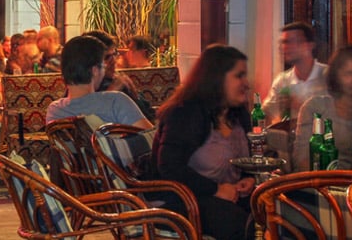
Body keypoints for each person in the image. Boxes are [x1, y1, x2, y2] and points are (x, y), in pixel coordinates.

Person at [152, 44, 255, 240]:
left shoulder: (238, 113)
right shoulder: (186, 112)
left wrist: (248, 178)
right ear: (216, 78)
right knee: (242, 224)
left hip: (227, 195)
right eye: (239, 76)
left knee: (279, 209)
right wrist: (216, 190)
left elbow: (249, 157)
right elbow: (169, 167)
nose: (246, 83)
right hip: (183, 199)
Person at [46, 35, 153, 128]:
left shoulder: (54, 111)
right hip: (113, 152)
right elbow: (151, 138)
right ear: (95, 70)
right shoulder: (116, 101)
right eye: (103, 65)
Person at [262, 22, 327, 123]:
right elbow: (264, 114)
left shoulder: (328, 76)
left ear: (309, 45)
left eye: (291, 42)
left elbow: (339, 118)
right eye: (283, 42)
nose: (285, 47)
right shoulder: (282, 81)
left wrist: (298, 106)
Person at [86, 30, 156, 121]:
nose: (114, 61)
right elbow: (89, 120)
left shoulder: (119, 81)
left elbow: (149, 114)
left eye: (114, 54)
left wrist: (135, 95)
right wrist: (112, 90)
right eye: (107, 57)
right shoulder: (82, 85)